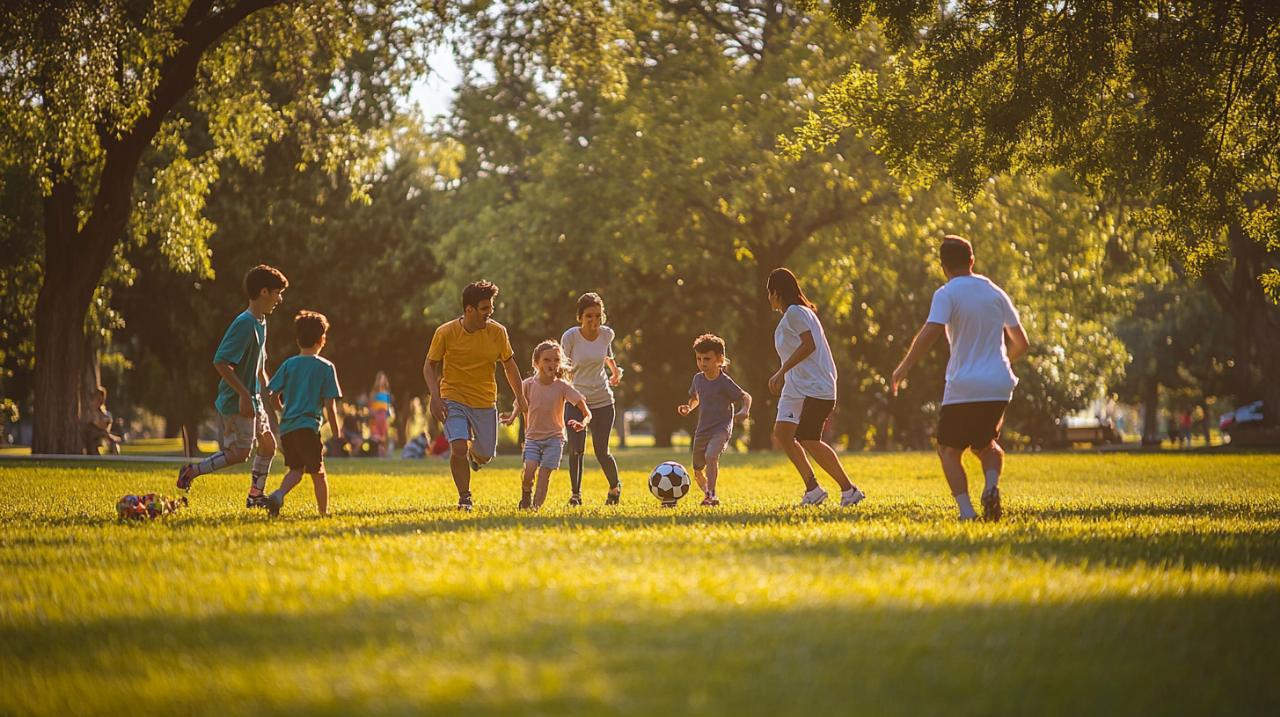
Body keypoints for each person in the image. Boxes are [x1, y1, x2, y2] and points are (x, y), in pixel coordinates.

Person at [891, 235, 1029, 521]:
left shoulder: (947, 293)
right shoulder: (995, 292)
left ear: (943, 266)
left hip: (965, 385)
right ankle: (991, 486)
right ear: (972, 260)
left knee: (947, 450)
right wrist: (998, 363)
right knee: (985, 445)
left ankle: (967, 513)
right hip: (999, 384)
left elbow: (930, 332)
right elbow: (1021, 342)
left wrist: (903, 367)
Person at [177, 265, 287, 508]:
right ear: (263, 292)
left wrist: (270, 393)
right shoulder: (244, 323)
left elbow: (259, 367)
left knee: (268, 446)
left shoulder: (262, 322)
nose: (280, 299)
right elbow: (221, 362)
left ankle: (255, 497)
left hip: (254, 399)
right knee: (239, 454)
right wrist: (243, 394)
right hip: (236, 401)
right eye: (277, 293)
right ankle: (192, 471)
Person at [423, 280, 527, 510]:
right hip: (453, 396)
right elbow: (429, 366)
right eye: (484, 309)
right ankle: (464, 497)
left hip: (484, 401)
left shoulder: (498, 333)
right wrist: (435, 395)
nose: (488, 314)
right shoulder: (446, 332)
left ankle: (474, 458)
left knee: (486, 454)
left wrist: (521, 396)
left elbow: (509, 366)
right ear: (469, 309)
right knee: (458, 447)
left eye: (490, 309)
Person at [767, 268, 866, 507]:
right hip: (796, 387)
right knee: (782, 434)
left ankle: (849, 490)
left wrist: (781, 371)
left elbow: (808, 345)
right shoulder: (793, 314)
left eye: (769, 293)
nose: (768, 298)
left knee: (809, 439)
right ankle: (813, 490)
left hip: (815, 387)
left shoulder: (795, 312)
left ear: (776, 293)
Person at [263, 311, 342, 517]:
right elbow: (329, 405)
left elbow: (272, 395)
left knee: (296, 471)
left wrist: (283, 411)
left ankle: (278, 495)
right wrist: (337, 432)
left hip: (288, 428)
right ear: (322, 339)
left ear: (298, 339)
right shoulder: (325, 367)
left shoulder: (289, 365)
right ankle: (323, 513)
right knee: (318, 472)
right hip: (308, 427)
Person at [560, 292, 624, 505]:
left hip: (603, 401)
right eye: (589, 316)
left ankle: (615, 488)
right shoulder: (570, 337)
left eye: (598, 316)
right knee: (576, 449)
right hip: (576, 400)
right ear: (580, 317)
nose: (594, 321)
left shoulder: (606, 334)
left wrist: (615, 372)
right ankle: (575, 495)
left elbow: (608, 355)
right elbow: (562, 367)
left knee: (601, 450)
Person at [677, 334, 751, 507]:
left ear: (720, 359)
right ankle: (710, 495)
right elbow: (696, 398)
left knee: (711, 456)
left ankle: (711, 495)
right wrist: (689, 408)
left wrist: (745, 410)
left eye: (707, 359)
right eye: (699, 358)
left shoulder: (724, 382)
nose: (702, 363)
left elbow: (745, 396)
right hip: (702, 429)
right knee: (697, 471)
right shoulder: (698, 379)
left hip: (722, 427)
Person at [517, 340, 591, 509]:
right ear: (536, 363)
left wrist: (583, 422)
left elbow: (586, 410)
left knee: (544, 475)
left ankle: (535, 508)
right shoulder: (527, 384)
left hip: (554, 440)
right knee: (529, 472)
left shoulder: (562, 387)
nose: (552, 364)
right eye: (547, 360)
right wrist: (510, 417)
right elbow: (519, 406)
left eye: (556, 360)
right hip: (532, 439)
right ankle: (526, 494)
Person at [82, 386, 122, 455]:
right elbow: (98, 424)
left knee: (110, 441)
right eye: (97, 399)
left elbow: (107, 426)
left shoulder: (105, 413)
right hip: (91, 438)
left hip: (102, 436)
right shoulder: (89, 413)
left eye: (101, 400)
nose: (99, 402)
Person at [369, 371, 395, 456]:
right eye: (380, 379)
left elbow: (388, 406)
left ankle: (385, 453)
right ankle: (377, 452)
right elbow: (371, 405)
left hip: (384, 417)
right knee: (376, 435)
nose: (381, 381)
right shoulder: (374, 393)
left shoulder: (386, 393)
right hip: (376, 416)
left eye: (383, 379)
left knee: (384, 435)